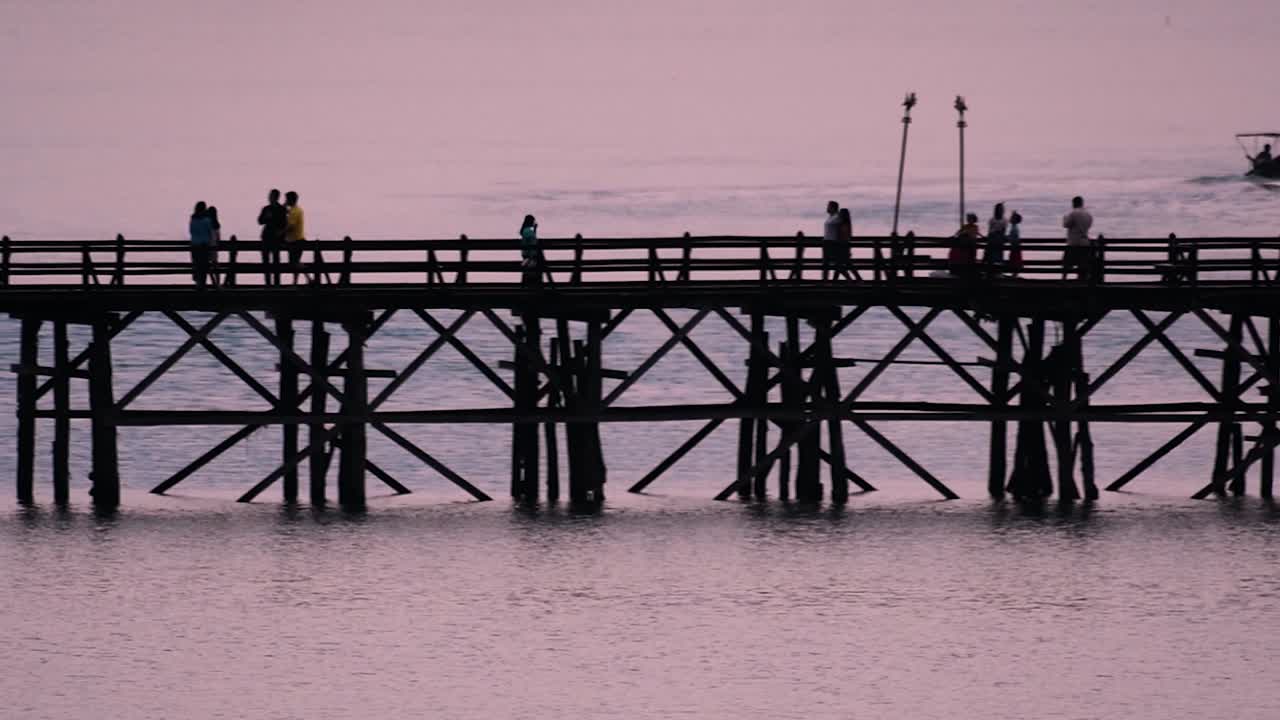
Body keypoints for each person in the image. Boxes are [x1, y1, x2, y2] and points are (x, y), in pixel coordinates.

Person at [257, 188, 287, 286]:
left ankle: (276, 284)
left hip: (276, 239)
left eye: (271, 196)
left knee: (276, 263)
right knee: (266, 263)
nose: (269, 197)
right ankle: (268, 283)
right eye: (269, 196)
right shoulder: (266, 208)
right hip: (266, 237)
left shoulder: (281, 209)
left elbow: (284, 224)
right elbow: (260, 221)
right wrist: (266, 217)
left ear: (275, 197)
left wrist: (281, 235)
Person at [1062, 196, 1094, 280]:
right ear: (1082, 203)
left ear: (1074, 203)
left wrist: (1064, 218)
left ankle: (1063, 281)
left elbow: (1066, 224)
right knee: (1082, 265)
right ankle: (1081, 281)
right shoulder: (1088, 214)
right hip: (1085, 243)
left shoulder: (1073, 213)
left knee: (1066, 264)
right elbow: (1089, 226)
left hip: (1073, 242)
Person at [189, 201, 215, 289]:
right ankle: (202, 287)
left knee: (197, 266)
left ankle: (198, 285)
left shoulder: (193, 220)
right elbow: (210, 233)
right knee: (204, 268)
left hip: (194, 246)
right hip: (204, 246)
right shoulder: (207, 221)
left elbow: (191, 231)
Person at [949, 213, 982, 278]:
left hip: (973, 243)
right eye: (968, 219)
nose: (969, 220)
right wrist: (956, 235)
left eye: (970, 219)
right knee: (969, 256)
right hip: (967, 243)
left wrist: (982, 236)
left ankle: (972, 265)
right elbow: (959, 232)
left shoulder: (975, 227)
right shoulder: (965, 226)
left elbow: (977, 233)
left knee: (973, 255)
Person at [284, 191, 305, 284]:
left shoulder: (295, 211)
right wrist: (284, 206)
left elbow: (291, 226)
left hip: (296, 240)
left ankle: (306, 274)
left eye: (287, 199)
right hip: (295, 240)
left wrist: (281, 233)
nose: (285, 201)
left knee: (294, 263)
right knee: (294, 263)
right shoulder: (295, 210)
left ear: (291, 199)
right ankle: (295, 282)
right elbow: (286, 212)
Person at [984, 202, 1008, 272]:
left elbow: (1004, 231)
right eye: (1000, 209)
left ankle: (997, 270)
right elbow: (990, 230)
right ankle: (990, 268)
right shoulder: (992, 219)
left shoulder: (1004, 220)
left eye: (1002, 209)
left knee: (997, 254)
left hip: (999, 238)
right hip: (992, 237)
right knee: (991, 253)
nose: (1001, 210)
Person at [822, 200, 840, 280]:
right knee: (826, 264)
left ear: (833, 207)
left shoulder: (837, 217)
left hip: (833, 243)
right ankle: (825, 280)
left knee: (836, 263)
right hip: (826, 242)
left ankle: (833, 280)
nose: (827, 208)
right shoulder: (830, 217)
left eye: (828, 206)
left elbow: (840, 230)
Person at [519, 214, 539, 284]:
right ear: (530, 222)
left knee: (527, 273)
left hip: (526, 255)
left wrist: (535, 230)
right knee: (532, 272)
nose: (534, 222)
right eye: (533, 221)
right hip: (530, 256)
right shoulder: (529, 231)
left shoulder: (525, 231)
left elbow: (531, 240)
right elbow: (533, 242)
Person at [206, 205, 222, 288]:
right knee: (216, 265)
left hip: (208, 247)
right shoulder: (217, 224)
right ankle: (218, 283)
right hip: (214, 247)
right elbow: (219, 237)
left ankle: (214, 282)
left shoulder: (207, 224)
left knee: (208, 266)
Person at [1007, 211, 1024, 276]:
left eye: (1011, 218)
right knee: (1014, 261)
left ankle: (1014, 275)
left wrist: (1007, 238)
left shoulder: (1014, 228)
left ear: (1014, 220)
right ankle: (1014, 274)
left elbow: (1013, 238)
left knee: (1015, 261)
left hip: (1015, 247)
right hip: (1015, 246)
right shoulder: (1014, 227)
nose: (1010, 218)